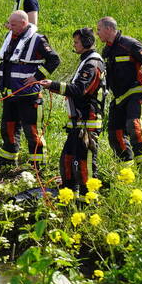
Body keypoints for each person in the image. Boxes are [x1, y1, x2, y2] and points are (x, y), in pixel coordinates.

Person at [36, 28, 105, 195]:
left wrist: (53, 85)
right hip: (78, 124)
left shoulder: (92, 64)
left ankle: (87, 201)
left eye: (76, 42)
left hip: (87, 124)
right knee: (67, 160)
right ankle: (68, 194)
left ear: (87, 43)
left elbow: (80, 89)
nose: (74, 45)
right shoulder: (86, 60)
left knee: (84, 164)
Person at [0, 10, 61, 166]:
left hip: (29, 95)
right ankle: (8, 160)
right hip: (9, 93)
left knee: (32, 131)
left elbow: (54, 60)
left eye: (13, 24)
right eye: (9, 23)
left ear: (24, 24)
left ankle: (38, 164)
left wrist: (37, 77)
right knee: (8, 128)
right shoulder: (10, 36)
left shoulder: (38, 39)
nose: (9, 27)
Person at [97, 16, 142, 167]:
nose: (97, 33)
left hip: (135, 92)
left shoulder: (130, 44)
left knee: (134, 125)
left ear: (109, 29)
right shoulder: (107, 51)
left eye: (99, 29)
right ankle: (127, 169)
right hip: (118, 98)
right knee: (114, 132)